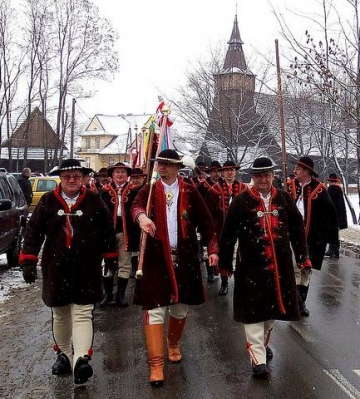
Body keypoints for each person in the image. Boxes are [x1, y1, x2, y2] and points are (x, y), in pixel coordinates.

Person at [19, 159, 118, 385]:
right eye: (67, 176)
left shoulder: (94, 200)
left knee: (83, 312)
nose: (71, 180)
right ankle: (63, 354)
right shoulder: (47, 201)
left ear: (83, 178)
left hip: (87, 268)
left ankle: (81, 360)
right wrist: (28, 260)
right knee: (61, 313)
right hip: (56, 268)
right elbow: (33, 231)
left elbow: (107, 231)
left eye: (76, 176)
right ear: (60, 179)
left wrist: (110, 258)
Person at [131, 149, 219, 387]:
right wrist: (142, 218)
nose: (162, 168)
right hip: (155, 259)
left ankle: (173, 343)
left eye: (168, 165)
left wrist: (212, 249)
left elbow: (207, 222)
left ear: (177, 167)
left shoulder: (189, 190)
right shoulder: (149, 189)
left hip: (185, 259)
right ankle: (156, 364)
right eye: (160, 164)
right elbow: (136, 207)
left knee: (179, 309)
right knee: (154, 309)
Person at [219, 157, 311, 378]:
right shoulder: (241, 201)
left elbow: (298, 229)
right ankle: (257, 359)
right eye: (258, 175)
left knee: (272, 312)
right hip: (250, 266)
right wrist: (224, 263)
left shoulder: (285, 199)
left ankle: (262, 342)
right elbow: (228, 233)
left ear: (273, 176)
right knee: (253, 313)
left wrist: (302, 256)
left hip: (280, 267)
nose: (263, 179)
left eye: (266, 174)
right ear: (253, 176)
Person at [288, 156, 338, 317]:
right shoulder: (291, 186)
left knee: (306, 270)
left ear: (306, 171)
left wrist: (329, 237)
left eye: (298, 169)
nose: (295, 171)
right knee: (295, 267)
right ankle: (297, 304)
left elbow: (331, 213)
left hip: (312, 237)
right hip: (293, 236)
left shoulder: (320, 189)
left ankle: (302, 303)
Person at [206, 160, 247, 295]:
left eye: (232, 170)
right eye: (227, 170)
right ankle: (224, 283)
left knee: (241, 257)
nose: (230, 173)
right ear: (222, 173)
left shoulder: (244, 189)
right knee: (224, 256)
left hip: (241, 230)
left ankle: (240, 283)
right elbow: (209, 210)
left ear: (235, 172)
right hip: (222, 229)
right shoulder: (214, 190)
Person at [100, 162, 133, 307]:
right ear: (112, 175)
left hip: (125, 232)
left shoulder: (134, 191)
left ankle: (121, 295)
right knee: (107, 263)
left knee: (124, 264)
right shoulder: (104, 191)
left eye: (123, 172)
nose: (120, 175)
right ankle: (107, 294)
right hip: (108, 233)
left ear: (127, 175)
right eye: (117, 172)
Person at [124, 167, 147, 277]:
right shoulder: (128, 191)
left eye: (138, 178)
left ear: (143, 178)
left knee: (143, 245)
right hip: (131, 224)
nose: (135, 181)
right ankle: (134, 267)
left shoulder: (147, 190)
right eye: (133, 178)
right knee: (133, 247)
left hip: (144, 221)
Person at [325, 172, 348, 258]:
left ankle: (333, 251)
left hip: (333, 215)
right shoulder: (338, 189)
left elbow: (328, 202)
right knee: (334, 233)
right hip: (338, 214)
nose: (330, 183)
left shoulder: (332, 189)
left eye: (331, 181)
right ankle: (334, 250)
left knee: (332, 233)